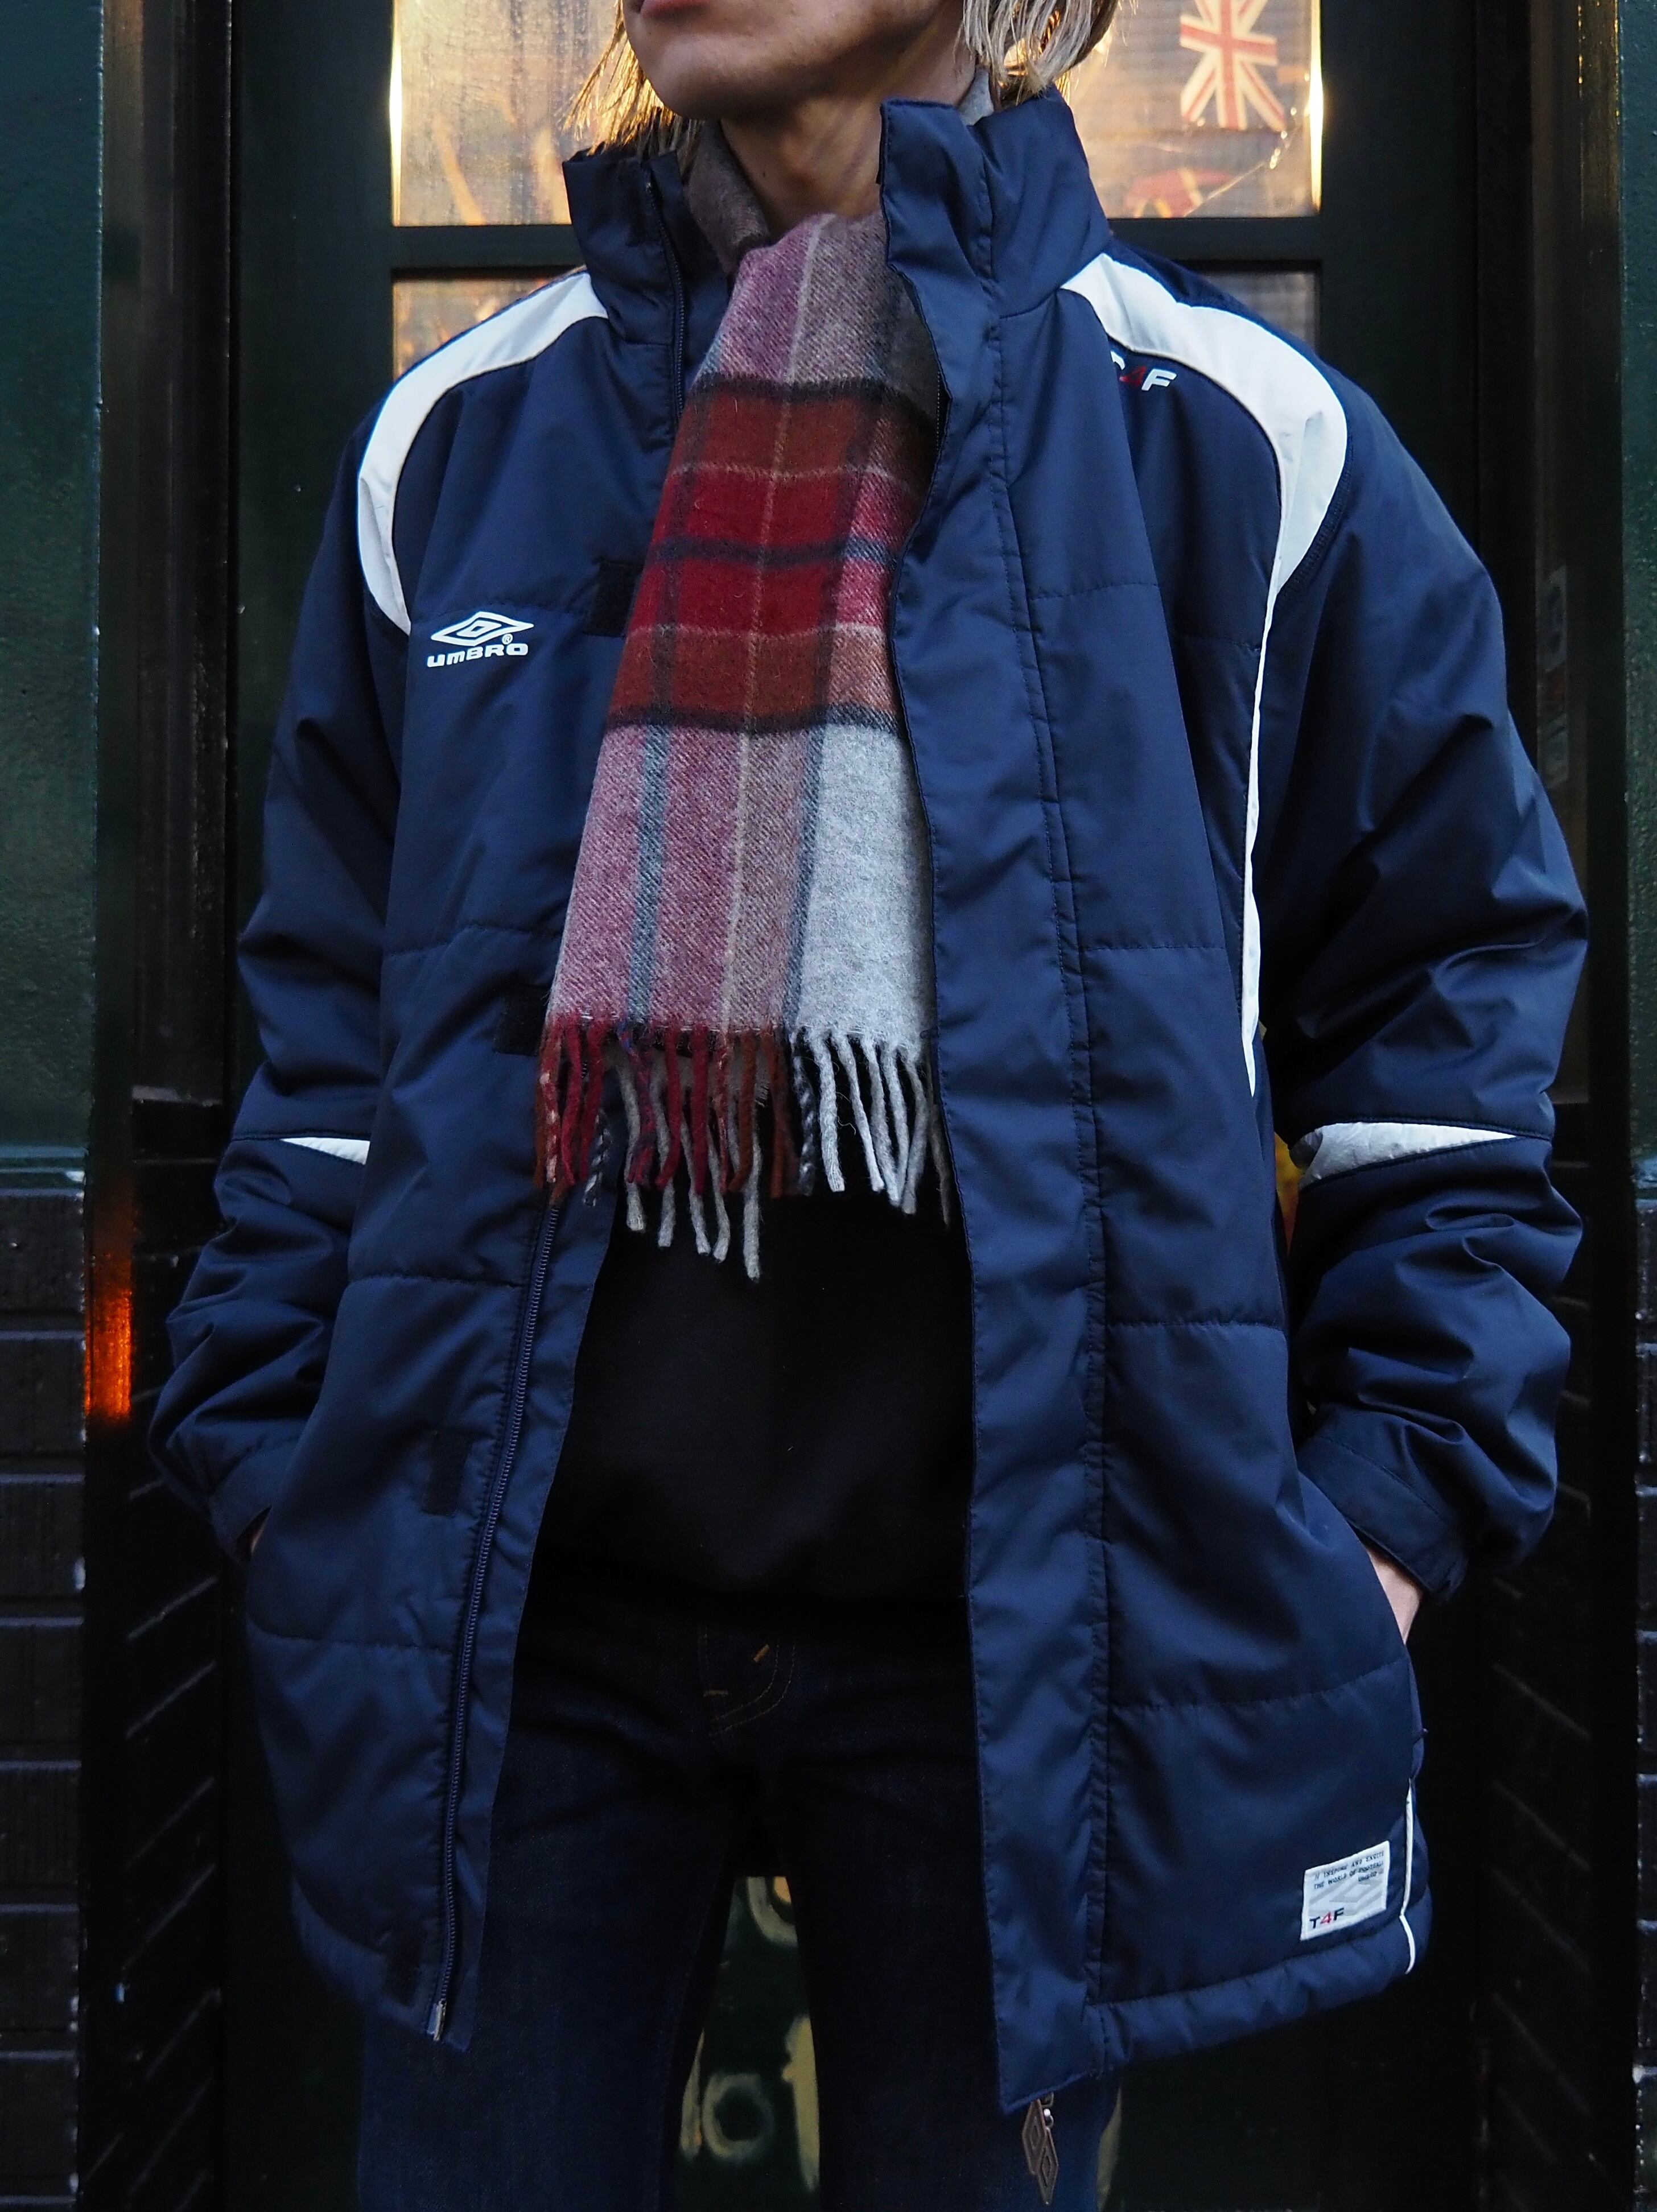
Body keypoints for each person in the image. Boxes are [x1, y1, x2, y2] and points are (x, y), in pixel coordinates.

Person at [151, 0, 1586, 2204]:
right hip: (520, 1644)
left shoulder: (1233, 440)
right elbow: (334, 1032)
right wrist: (281, 1475)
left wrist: (1378, 1523)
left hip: (1011, 1656)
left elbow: (1444, 1010)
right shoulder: (461, 443)